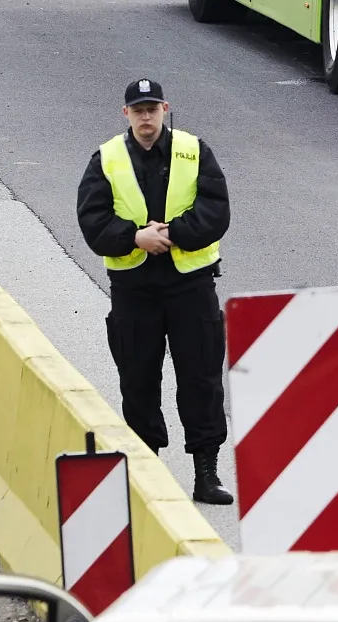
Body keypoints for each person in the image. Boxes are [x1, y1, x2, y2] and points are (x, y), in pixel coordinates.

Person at [75, 78, 234, 507]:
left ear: (165, 108)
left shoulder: (194, 151)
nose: (146, 118)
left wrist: (174, 234)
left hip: (191, 285)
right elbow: (92, 220)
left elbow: (216, 208)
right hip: (135, 290)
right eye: (137, 110)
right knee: (139, 381)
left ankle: (206, 474)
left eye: (152, 109)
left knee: (201, 381)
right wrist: (134, 238)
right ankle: (146, 477)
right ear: (125, 114)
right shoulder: (106, 159)